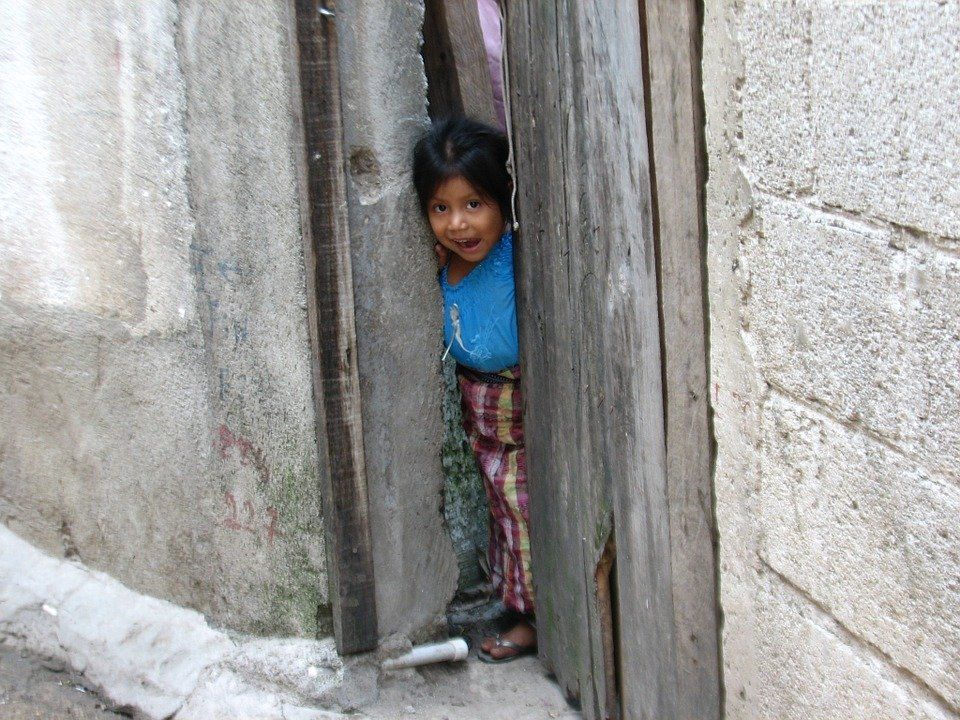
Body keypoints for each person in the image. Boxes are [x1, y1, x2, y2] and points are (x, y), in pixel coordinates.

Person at [412, 117, 536, 663]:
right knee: (504, 514)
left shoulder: (514, 256)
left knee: (525, 513)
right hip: (480, 415)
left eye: (474, 204)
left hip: (521, 408)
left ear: (503, 203)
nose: (458, 223)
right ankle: (519, 605)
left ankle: (535, 620)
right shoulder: (443, 266)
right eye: (442, 208)